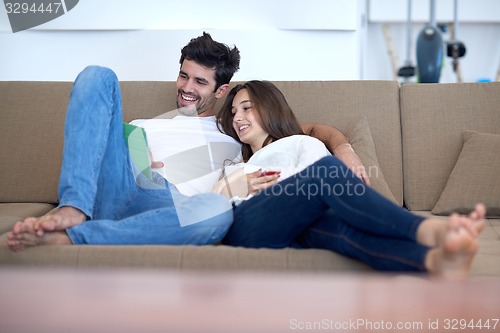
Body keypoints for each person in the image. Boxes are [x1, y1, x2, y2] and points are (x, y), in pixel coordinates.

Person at [7, 33, 366, 250]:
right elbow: (104, 145)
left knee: (216, 211)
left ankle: (77, 237)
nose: (187, 88)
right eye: (183, 75)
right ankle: (74, 208)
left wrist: (345, 150)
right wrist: (137, 156)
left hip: (176, 209)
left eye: (200, 82)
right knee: (98, 76)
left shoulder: (236, 126)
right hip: (123, 185)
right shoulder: (144, 125)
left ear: (221, 90)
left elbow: (314, 129)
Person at [214, 80, 486, 278]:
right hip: (246, 224)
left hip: (295, 225)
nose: (238, 117)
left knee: (341, 232)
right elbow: (213, 203)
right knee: (326, 170)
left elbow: (315, 195)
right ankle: (423, 230)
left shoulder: (300, 143)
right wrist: (234, 184)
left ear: (270, 109)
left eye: (246, 108)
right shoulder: (236, 164)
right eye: (234, 112)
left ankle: (433, 261)